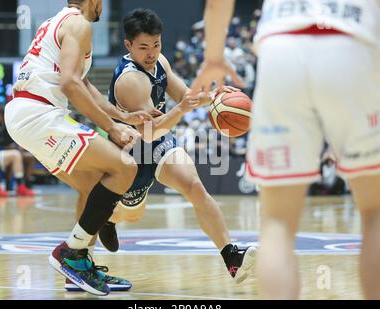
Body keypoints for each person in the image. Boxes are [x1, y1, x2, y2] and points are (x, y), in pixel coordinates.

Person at [192, 0, 380, 300]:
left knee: (277, 223)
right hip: (352, 40)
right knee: (378, 212)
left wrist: (213, 57)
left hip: (282, 44)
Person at [63, 8, 257, 292]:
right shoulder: (130, 80)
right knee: (129, 214)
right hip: (132, 153)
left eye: (156, 45)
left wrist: (215, 98)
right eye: (143, 47)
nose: (151, 52)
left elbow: (185, 96)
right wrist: (181, 109)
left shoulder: (160, 62)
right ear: (129, 46)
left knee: (194, 187)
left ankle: (232, 257)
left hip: (160, 143)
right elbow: (151, 130)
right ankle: (108, 218)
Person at [4, 0, 156, 296]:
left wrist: (121, 116)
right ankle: (71, 253)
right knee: (124, 167)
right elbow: (69, 85)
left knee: (93, 188)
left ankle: (79, 269)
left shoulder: (58, 22)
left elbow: (84, 85)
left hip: (29, 112)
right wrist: (111, 129)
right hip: (39, 113)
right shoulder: (79, 23)